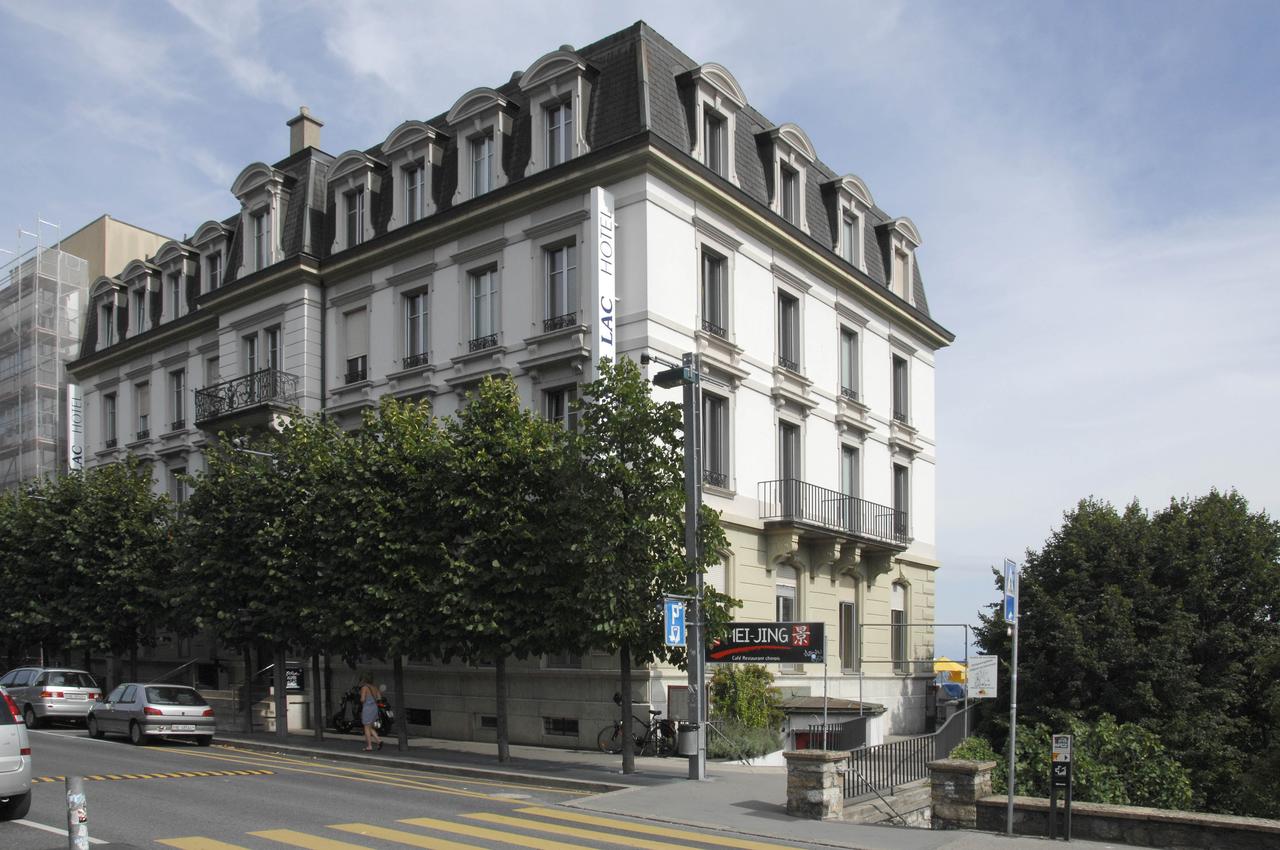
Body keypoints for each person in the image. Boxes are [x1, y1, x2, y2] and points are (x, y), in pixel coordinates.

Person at [358, 674, 383, 751]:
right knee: (369, 727)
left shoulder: (364, 688)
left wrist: (361, 698)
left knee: (366, 727)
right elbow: (379, 697)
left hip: (367, 708)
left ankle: (369, 746)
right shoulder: (375, 687)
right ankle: (379, 740)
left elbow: (362, 699)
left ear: (364, 680)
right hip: (374, 708)